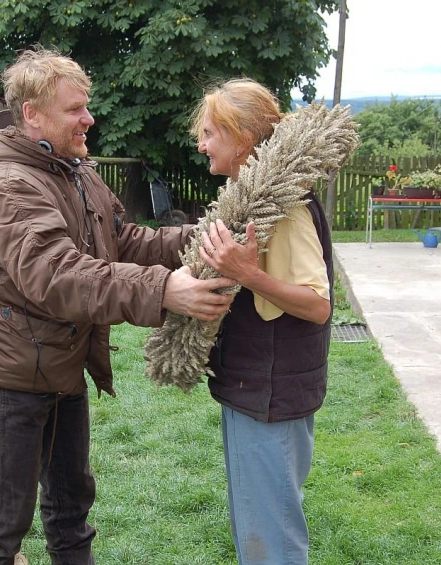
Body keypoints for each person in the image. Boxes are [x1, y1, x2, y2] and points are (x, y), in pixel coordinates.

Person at [0, 47, 236, 565]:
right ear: (31, 115)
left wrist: (203, 237)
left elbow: (124, 240)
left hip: (64, 368)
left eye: (86, 106)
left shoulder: (76, 172)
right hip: (15, 380)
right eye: (74, 109)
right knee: (3, 524)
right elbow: (58, 275)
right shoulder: (9, 185)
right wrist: (162, 290)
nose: (88, 118)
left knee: (70, 512)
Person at [191, 78, 334, 565]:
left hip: (271, 395)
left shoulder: (287, 207)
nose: (201, 142)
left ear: (244, 139)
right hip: (255, 389)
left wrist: (246, 274)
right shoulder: (255, 197)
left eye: (210, 132)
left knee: (270, 542)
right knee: (258, 527)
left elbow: (317, 305)